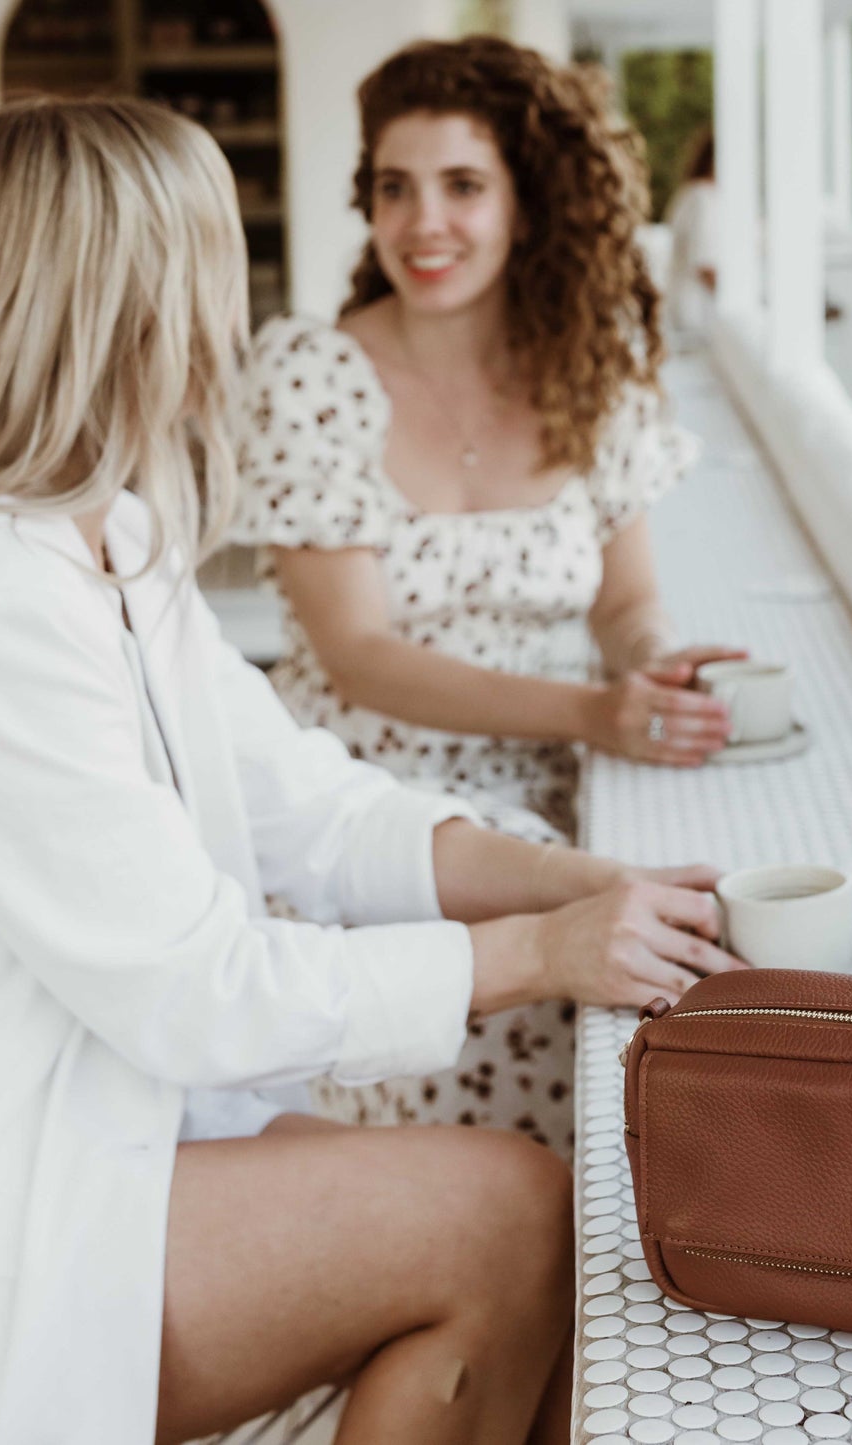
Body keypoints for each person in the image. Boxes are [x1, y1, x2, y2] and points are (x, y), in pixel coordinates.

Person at [0, 98, 744, 1445]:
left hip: (85, 1137)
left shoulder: (103, 540)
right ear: (131, 306)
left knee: (556, 1267)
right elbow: (199, 994)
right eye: (209, 263)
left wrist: (592, 882)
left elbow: (318, 805)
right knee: (509, 1217)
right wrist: (543, 953)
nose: (229, 312)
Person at [232, 37, 745, 1153]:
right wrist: (591, 712)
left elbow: (623, 603)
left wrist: (652, 660)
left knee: (602, 1129)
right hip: (364, 821)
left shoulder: (587, 364)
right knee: (452, 1177)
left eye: (463, 185)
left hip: (563, 798)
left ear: (526, 200)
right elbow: (358, 652)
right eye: (393, 187)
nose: (424, 223)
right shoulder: (311, 375)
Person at [665, 125, 720, 339]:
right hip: (695, 317)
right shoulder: (702, 198)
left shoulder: (692, 193)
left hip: (688, 311)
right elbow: (705, 266)